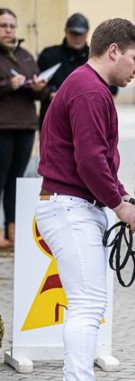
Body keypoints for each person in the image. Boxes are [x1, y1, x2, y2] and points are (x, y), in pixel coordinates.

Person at [35, 18, 135, 381]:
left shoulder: (88, 85)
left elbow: (96, 159)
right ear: (113, 51)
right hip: (70, 207)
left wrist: (123, 198)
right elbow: (88, 161)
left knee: (88, 303)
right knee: (86, 305)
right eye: (134, 60)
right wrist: (119, 204)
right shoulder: (88, 90)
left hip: (71, 204)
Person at [0, 8, 48, 249]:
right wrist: (9, 84)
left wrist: (39, 87)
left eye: (12, 26)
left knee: (16, 180)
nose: (9, 30)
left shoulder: (27, 56)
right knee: (0, 178)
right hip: (3, 126)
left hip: (26, 125)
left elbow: (41, 93)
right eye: (3, 26)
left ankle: (12, 229)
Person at [37, 12, 118, 129]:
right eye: (73, 33)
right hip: (55, 120)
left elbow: (111, 90)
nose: (77, 37)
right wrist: (49, 93)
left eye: (81, 33)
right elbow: (36, 86)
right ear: (65, 31)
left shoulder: (99, 57)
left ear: (87, 33)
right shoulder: (49, 56)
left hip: (87, 119)